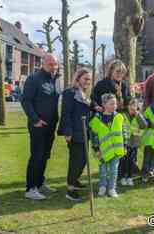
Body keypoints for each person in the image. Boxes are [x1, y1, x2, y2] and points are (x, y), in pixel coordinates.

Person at [21, 54, 61, 200]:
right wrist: (35, 119)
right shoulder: (34, 79)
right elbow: (26, 101)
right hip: (38, 125)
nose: (53, 66)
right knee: (36, 156)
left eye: (55, 64)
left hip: (51, 126)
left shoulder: (55, 80)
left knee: (45, 156)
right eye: (50, 64)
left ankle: (39, 183)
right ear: (43, 63)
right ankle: (30, 188)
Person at [57, 68, 92, 201]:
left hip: (84, 132)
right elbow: (66, 114)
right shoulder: (69, 93)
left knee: (83, 160)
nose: (88, 82)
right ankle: (70, 190)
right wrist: (68, 132)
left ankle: (75, 181)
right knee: (75, 162)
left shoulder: (84, 94)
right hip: (74, 133)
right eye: (85, 79)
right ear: (77, 78)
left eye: (89, 79)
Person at [89, 94, 126, 198]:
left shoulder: (119, 117)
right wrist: (96, 147)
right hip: (102, 150)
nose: (114, 106)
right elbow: (94, 134)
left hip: (116, 150)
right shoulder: (97, 118)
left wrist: (125, 144)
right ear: (104, 104)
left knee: (114, 170)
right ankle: (103, 186)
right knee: (103, 170)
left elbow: (124, 131)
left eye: (115, 103)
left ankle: (112, 188)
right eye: (111, 103)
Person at [120, 98, 148, 186]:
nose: (132, 110)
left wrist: (138, 115)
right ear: (128, 107)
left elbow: (144, 125)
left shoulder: (139, 115)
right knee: (124, 160)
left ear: (137, 108)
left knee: (132, 161)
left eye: (134, 108)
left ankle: (129, 177)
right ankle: (123, 177)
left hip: (134, 143)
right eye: (131, 107)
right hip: (125, 142)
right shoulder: (123, 115)